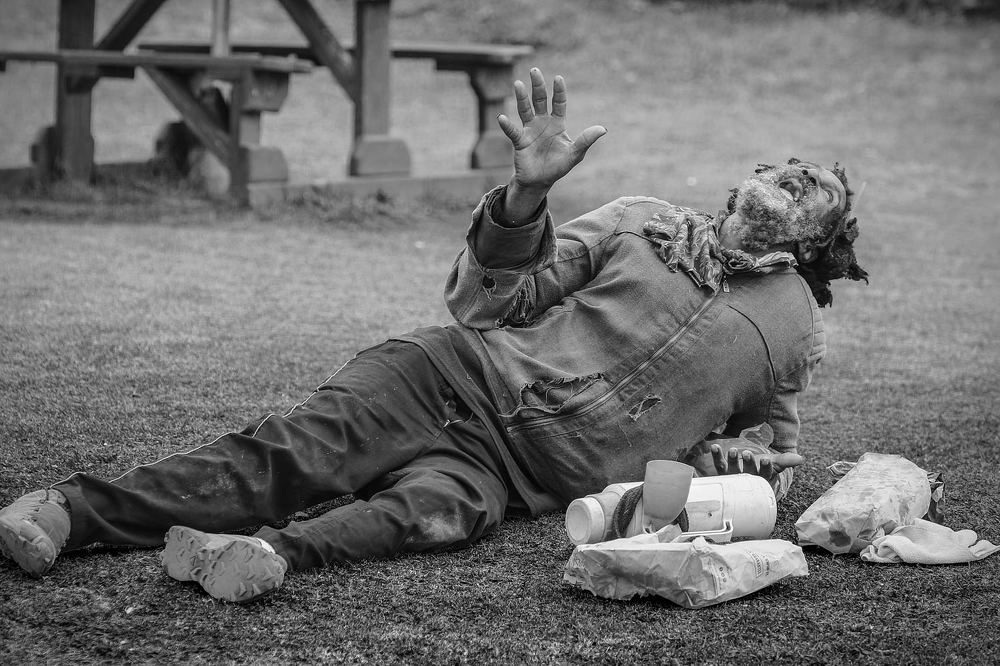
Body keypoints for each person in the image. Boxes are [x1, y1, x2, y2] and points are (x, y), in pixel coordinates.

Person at [0, 68, 867, 602]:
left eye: (817, 186)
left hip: (512, 478)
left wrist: (742, 460)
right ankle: (67, 510)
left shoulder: (792, 330)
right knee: (289, 458)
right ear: (746, 181)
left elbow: (763, 453)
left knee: (421, 520)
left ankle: (259, 555)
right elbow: (488, 304)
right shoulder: (640, 221)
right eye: (786, 166)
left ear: (820, 241)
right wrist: (525, 198)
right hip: (448, 378)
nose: (794, 175)